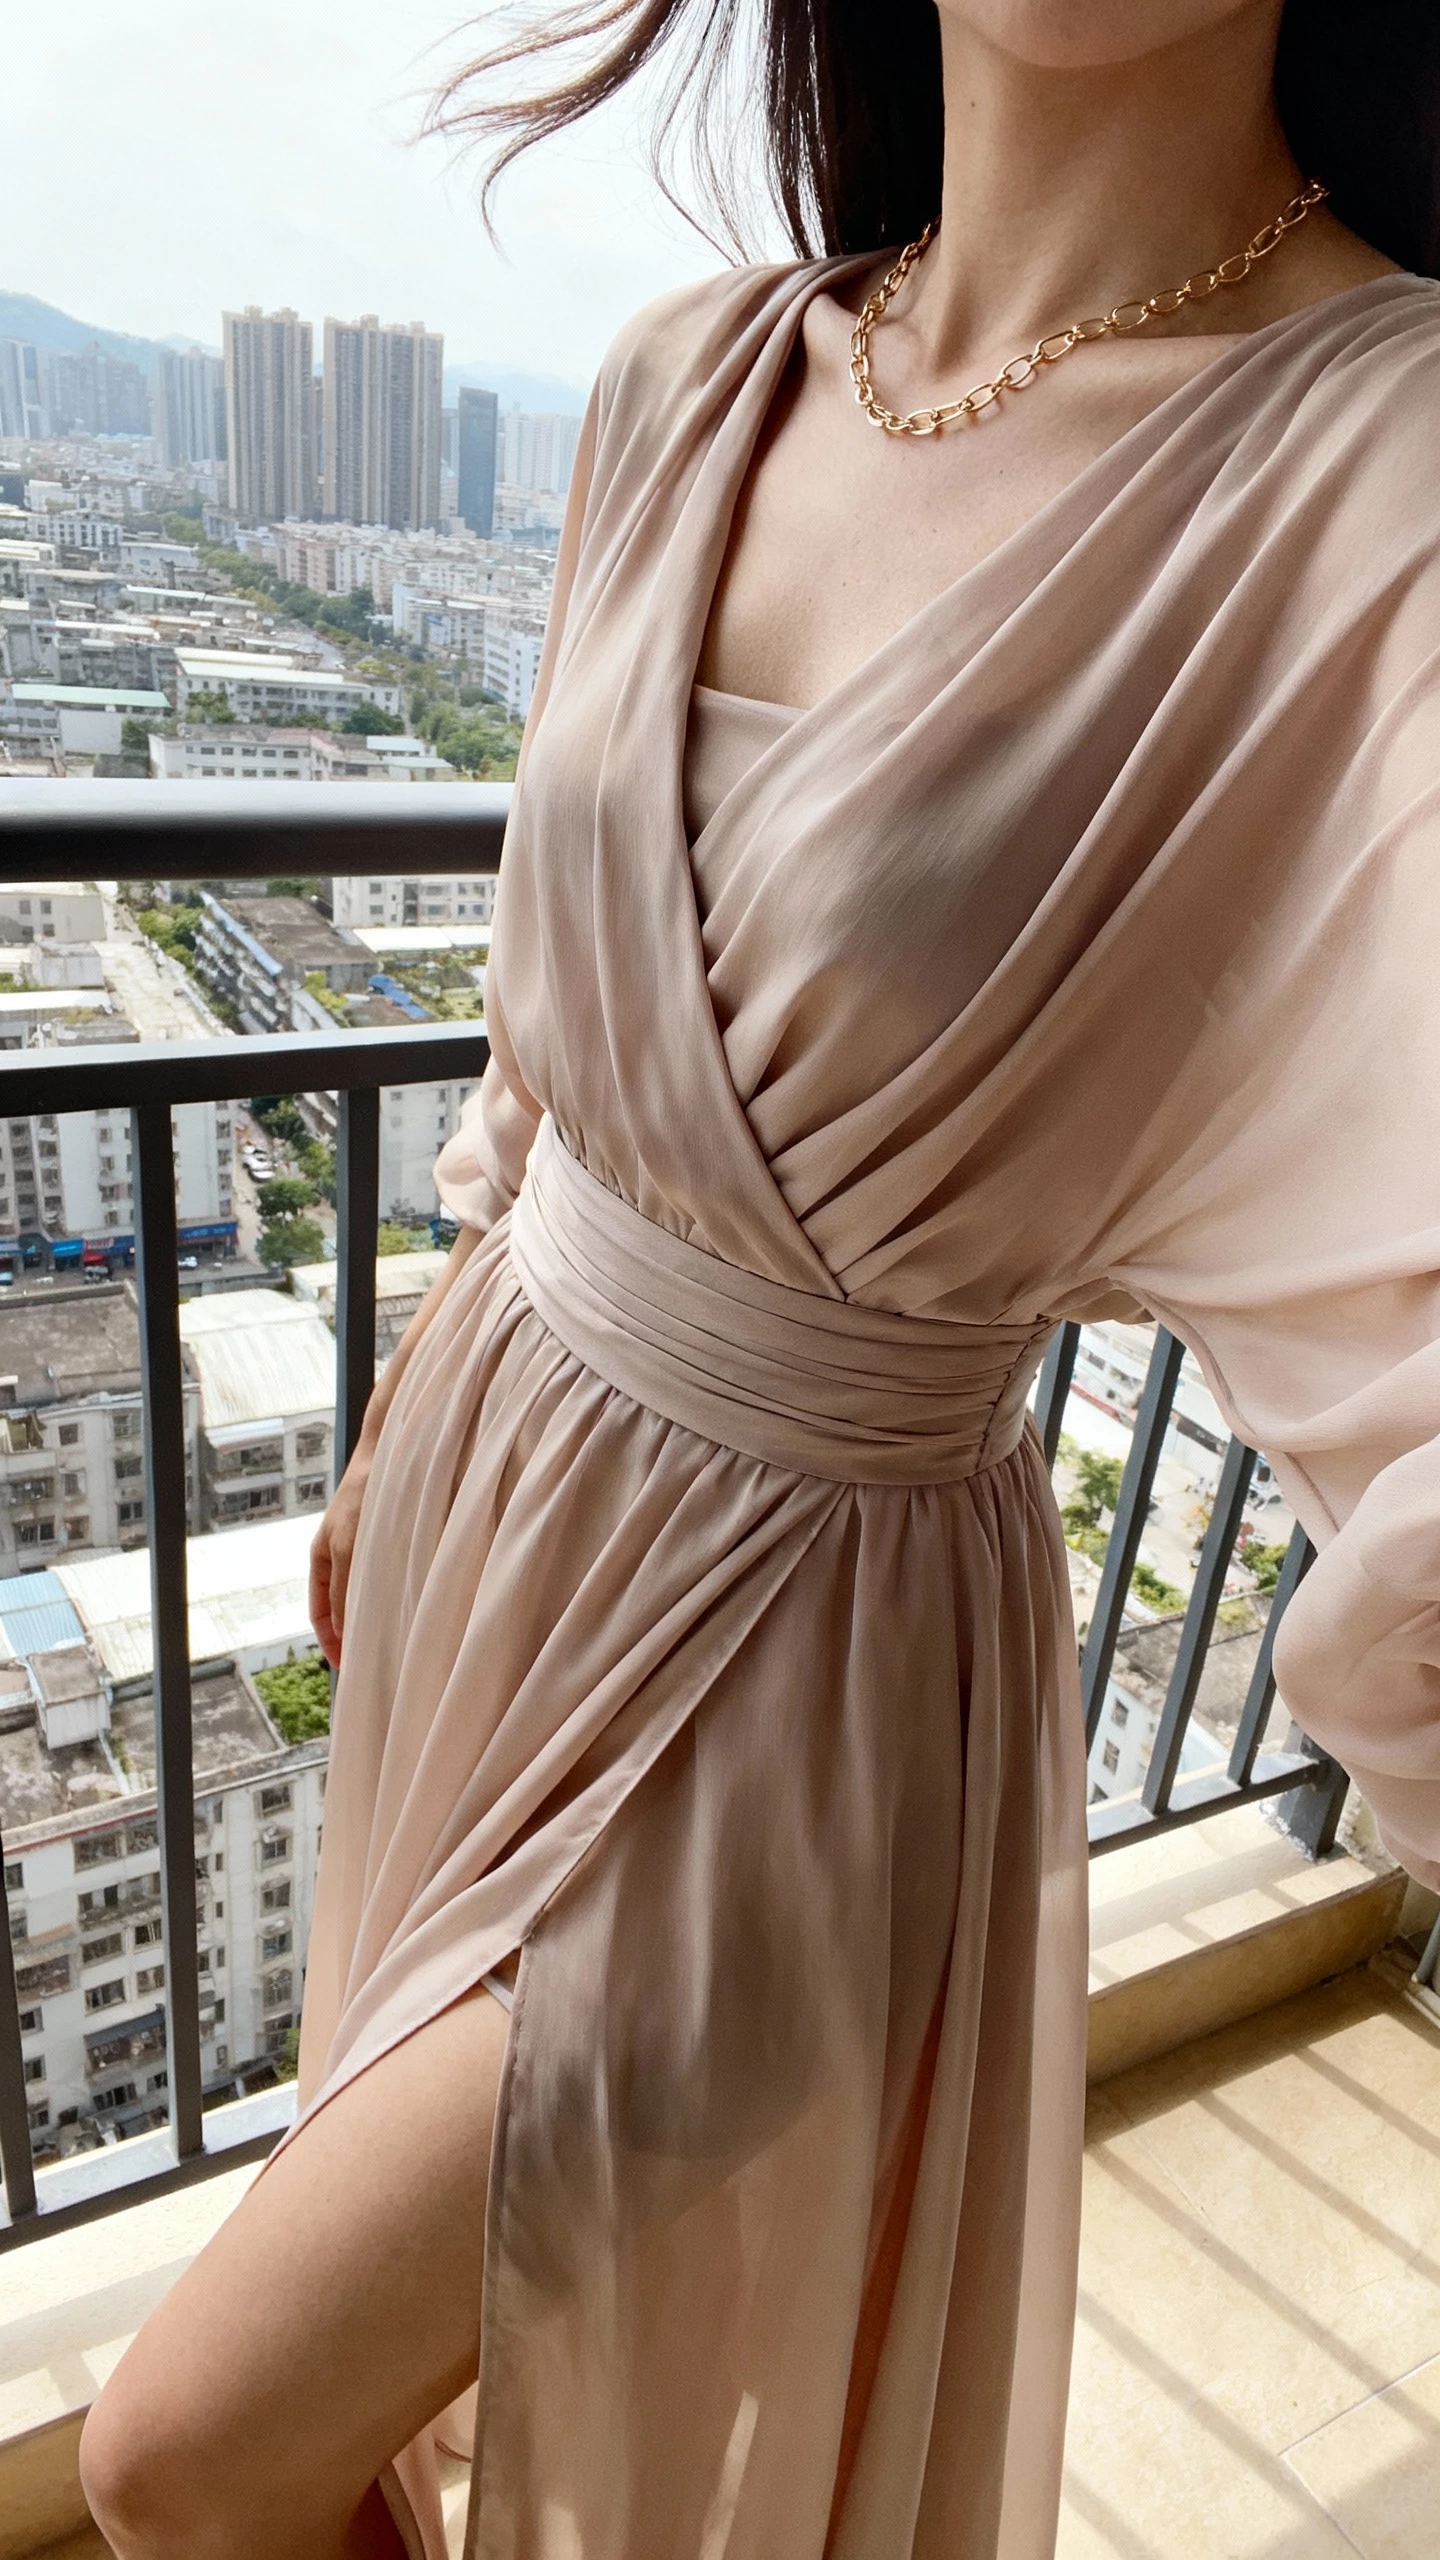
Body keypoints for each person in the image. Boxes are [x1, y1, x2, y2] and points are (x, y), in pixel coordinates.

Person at [81, 3, 1440, 2555]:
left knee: (192, 2444)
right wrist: (397, 1407)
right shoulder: (691, 372)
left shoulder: (1387, 462)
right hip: (485, 1487)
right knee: (368, 2410)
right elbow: (542, 1031)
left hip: (805, 1642)